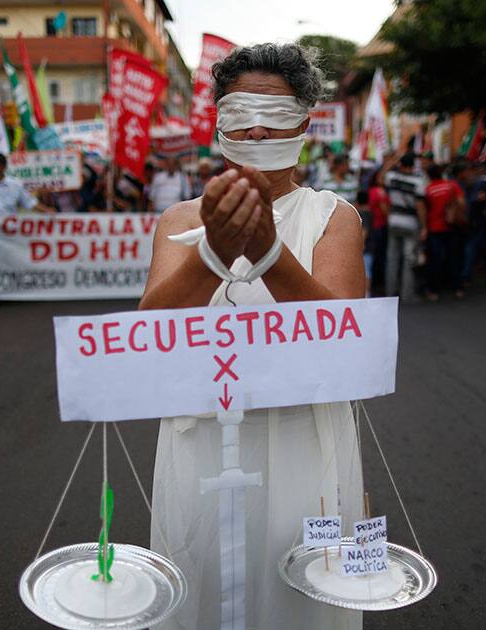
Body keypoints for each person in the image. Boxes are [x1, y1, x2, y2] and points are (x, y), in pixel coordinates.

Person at [140, 43, 365, 630]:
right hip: (200, 437)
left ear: (305, 124)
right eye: (239, 113)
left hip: (301, 437)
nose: (258, 127)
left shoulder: (332, 217)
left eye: (275, 113)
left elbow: (346, 337)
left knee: (296, 588)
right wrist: (213, 251)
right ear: (217, 122)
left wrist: (268, 252)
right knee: (201, 577)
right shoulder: (180, 220)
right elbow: (151, 327)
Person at [0, 153, 52, 303]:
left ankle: (12, 292)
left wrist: (47, 211)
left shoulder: (15, 184)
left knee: (10, 260)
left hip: (10, 232)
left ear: (3, 167)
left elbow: (30, 203)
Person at [383, 152, 427, 301]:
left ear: (401, 164)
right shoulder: (419, 181)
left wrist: (392, 162)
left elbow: (380, 178)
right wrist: (424, 226)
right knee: (409, 259)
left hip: (394, 220)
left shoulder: (392, 177)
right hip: (410, 223)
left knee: (392, 257)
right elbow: (420, 206)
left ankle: (390, 292)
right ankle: (407, 294)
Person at [422, 162, 466, 301]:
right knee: (454, 257)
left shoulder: (428, 189)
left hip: (435, 227)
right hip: (452, 226)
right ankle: (458, 288)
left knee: (435, 260)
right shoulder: (452, 185)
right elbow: (462, 202)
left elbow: (425, 209)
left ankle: (434, 290)